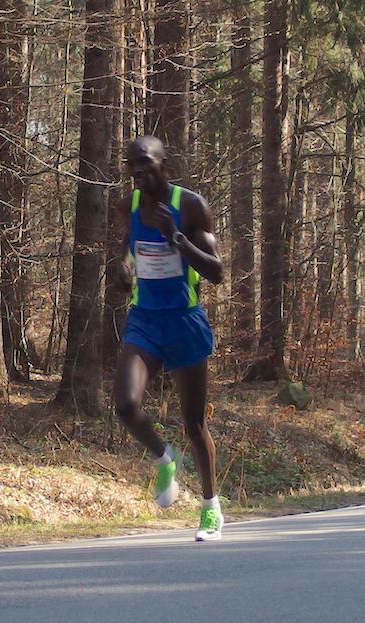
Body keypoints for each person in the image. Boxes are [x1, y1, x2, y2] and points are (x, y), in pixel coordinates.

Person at [111, 135, 224, 541]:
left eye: (145, 162)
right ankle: (164, 459)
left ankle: (211, 508)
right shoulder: (128, 206)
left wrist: (176, 237)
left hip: (184, 321)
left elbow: (216, 271)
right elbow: (129, 250)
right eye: (131, 165)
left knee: (194, 424)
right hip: (145, 320)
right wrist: (123, 270)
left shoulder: (191, 206)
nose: (138, 171)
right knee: (126, 405)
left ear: (163, 164)